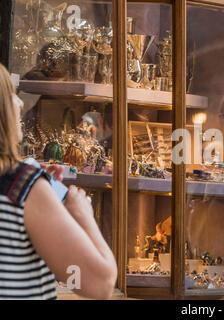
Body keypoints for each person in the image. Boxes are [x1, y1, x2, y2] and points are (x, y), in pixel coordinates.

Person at [0, 63, 117, 299]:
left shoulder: (26, 184)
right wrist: (83, 213)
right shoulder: (21, 187)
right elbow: (100, 283)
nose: (21, 103)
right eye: (12, 94)